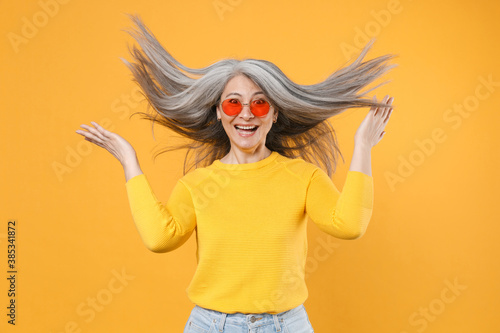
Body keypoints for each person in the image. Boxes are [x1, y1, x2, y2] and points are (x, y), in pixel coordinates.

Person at [75, 14, 395, 333]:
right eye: (232, 103)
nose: (245, 114)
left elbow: (350, 225)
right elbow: (160, 239)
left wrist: (363, 145)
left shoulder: (303, 178)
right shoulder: (197, 185)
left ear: (273, 113)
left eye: (259, 104)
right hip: (210, 325)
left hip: (285, 326)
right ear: (218, 112)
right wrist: (128, 160)